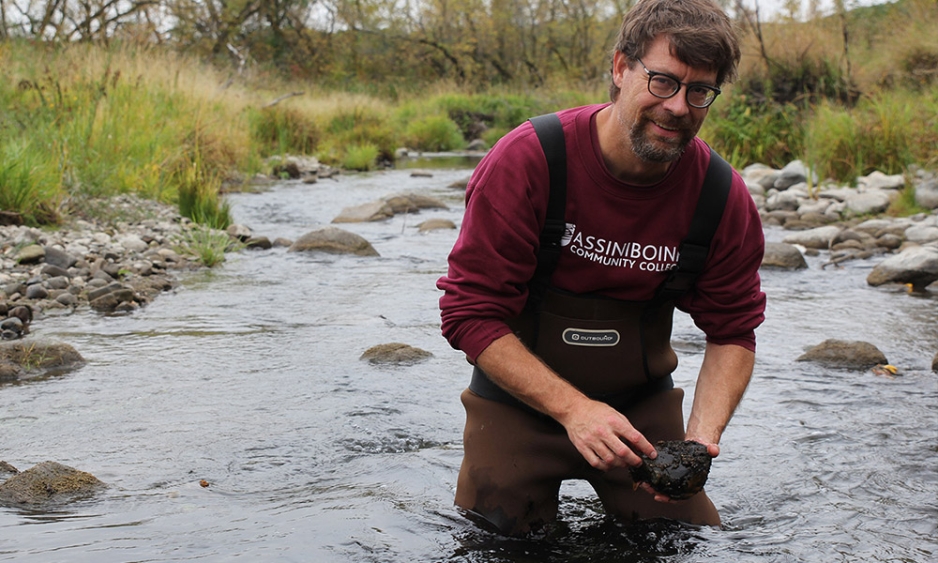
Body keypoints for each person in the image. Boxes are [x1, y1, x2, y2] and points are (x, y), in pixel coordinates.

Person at [437, 0, 766, 536]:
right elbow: (470, 314)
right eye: (662, 81)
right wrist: (574, 410)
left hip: (643, 415)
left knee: (685, 540)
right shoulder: (529, 159)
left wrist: (698, 443)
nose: (679, 106)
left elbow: (734, 331)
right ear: (620, 68)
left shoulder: (720, 196)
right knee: (495, 540)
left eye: (699, 91)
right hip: (518, 406)